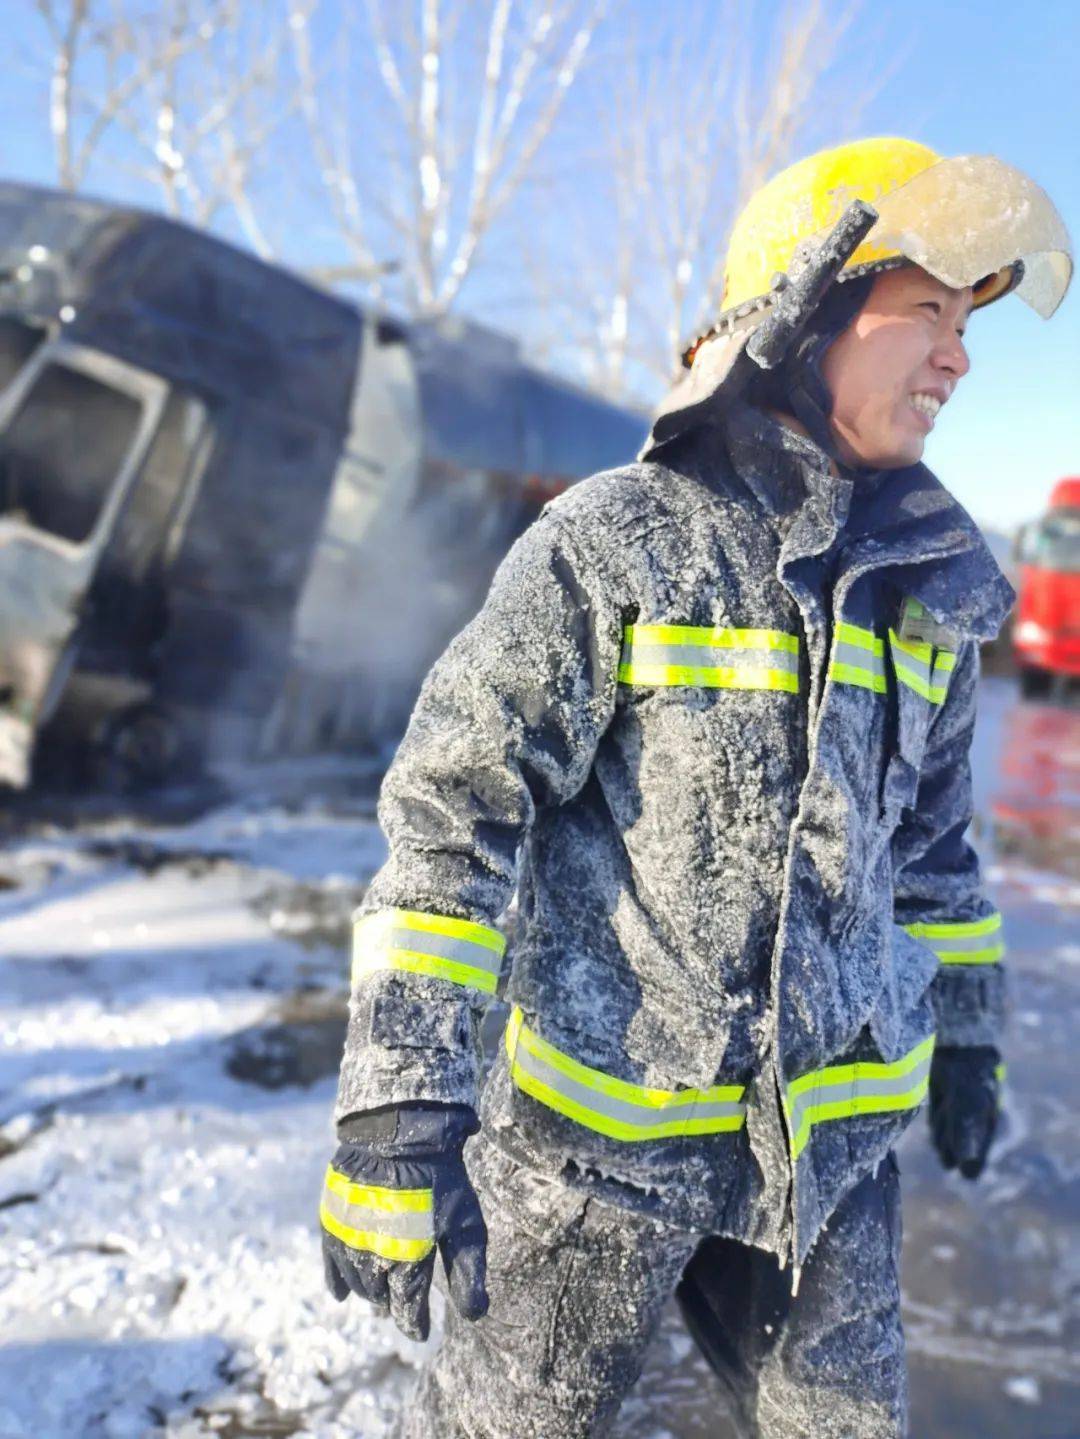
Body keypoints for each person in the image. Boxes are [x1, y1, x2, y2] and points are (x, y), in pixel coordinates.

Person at [319, 138, 1072, 1438]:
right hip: (595, 1162)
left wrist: (973, 1030)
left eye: (968, 328)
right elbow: (452, 819)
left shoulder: (931, 595)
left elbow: (938, 858)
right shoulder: (617, 543)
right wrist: (398, 1099)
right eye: (926, 317)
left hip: (827, 1169)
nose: (956, 359)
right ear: (804, 312)